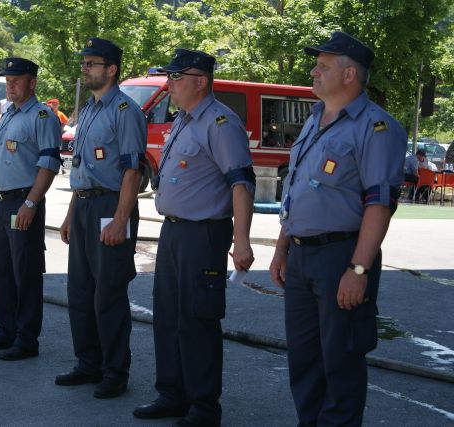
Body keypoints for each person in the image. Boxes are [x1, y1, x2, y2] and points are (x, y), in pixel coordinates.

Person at [268, 32, 406, 426]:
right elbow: (295, 192)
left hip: (340, 257)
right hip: (301, 255)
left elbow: (379, 205)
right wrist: (282, 249)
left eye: (323, 66)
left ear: (349, 75)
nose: (313, 71)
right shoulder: (315, 119)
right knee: (304, 360)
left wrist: (358, 269)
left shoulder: (377, 128)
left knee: (341, 360)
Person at [132, 49, 255, 427]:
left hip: (202, 234)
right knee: (168, 316)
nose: (169, 84)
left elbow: (241, 181)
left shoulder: (220, 122)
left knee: (197, 320)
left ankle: (203, 407)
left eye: (176, 77)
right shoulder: (185, 120)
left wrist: (242, 239)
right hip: (174, 231)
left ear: (201, 80)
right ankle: (172, 394)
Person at [55, 37, 146, 399]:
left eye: (92, 63)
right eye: (85, 63)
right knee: (80, 290)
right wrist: (69, 214)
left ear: (112, 69)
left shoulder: (125, 111)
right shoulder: (90, 108)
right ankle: (88, 363)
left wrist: (121, 219)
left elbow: (131, 171)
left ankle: (114, 371)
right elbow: (82, 169)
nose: (85, 68)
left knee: (108, 293)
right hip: (85, 205)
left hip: (111, 206)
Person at [0, 57, 61, 360]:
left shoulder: (43, 116)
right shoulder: (8, 114)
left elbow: (48, 164)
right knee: (0, 269)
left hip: (23, 202)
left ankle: (26, 338)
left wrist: (31, 203)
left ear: (32, 82)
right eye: (7, 79)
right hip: (0, 202)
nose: (10, 84)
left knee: (26, 272)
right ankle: (5, 329)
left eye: (16, 79)